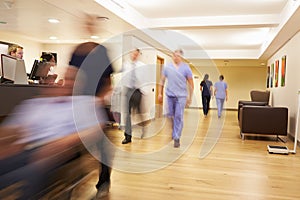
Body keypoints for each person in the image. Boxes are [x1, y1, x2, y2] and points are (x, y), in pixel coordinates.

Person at [158, 49, 194, 148]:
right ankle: (174, 130)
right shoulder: (167, 67)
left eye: (178, 56)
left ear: (181, 57)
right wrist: (160, 93)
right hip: (170, 95)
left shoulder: (186, 68)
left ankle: (176, 137)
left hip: (181, 96)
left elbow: (191, 83)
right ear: (172, 56)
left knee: (178, 115)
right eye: (174, 56)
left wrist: (190, 97)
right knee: (170, 115)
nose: (176, 57)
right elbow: (162, 80)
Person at [121, 48, 144, 144]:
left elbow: (144, 79)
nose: (134, 56)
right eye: (133, 54)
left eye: (136, 54)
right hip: (128, 90)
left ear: (138, 55)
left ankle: (143, 127)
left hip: (137, 91)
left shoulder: (141, 66)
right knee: (127, 114)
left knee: (138, 113)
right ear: (130, 54)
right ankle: (128, 136)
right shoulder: (125, 65)